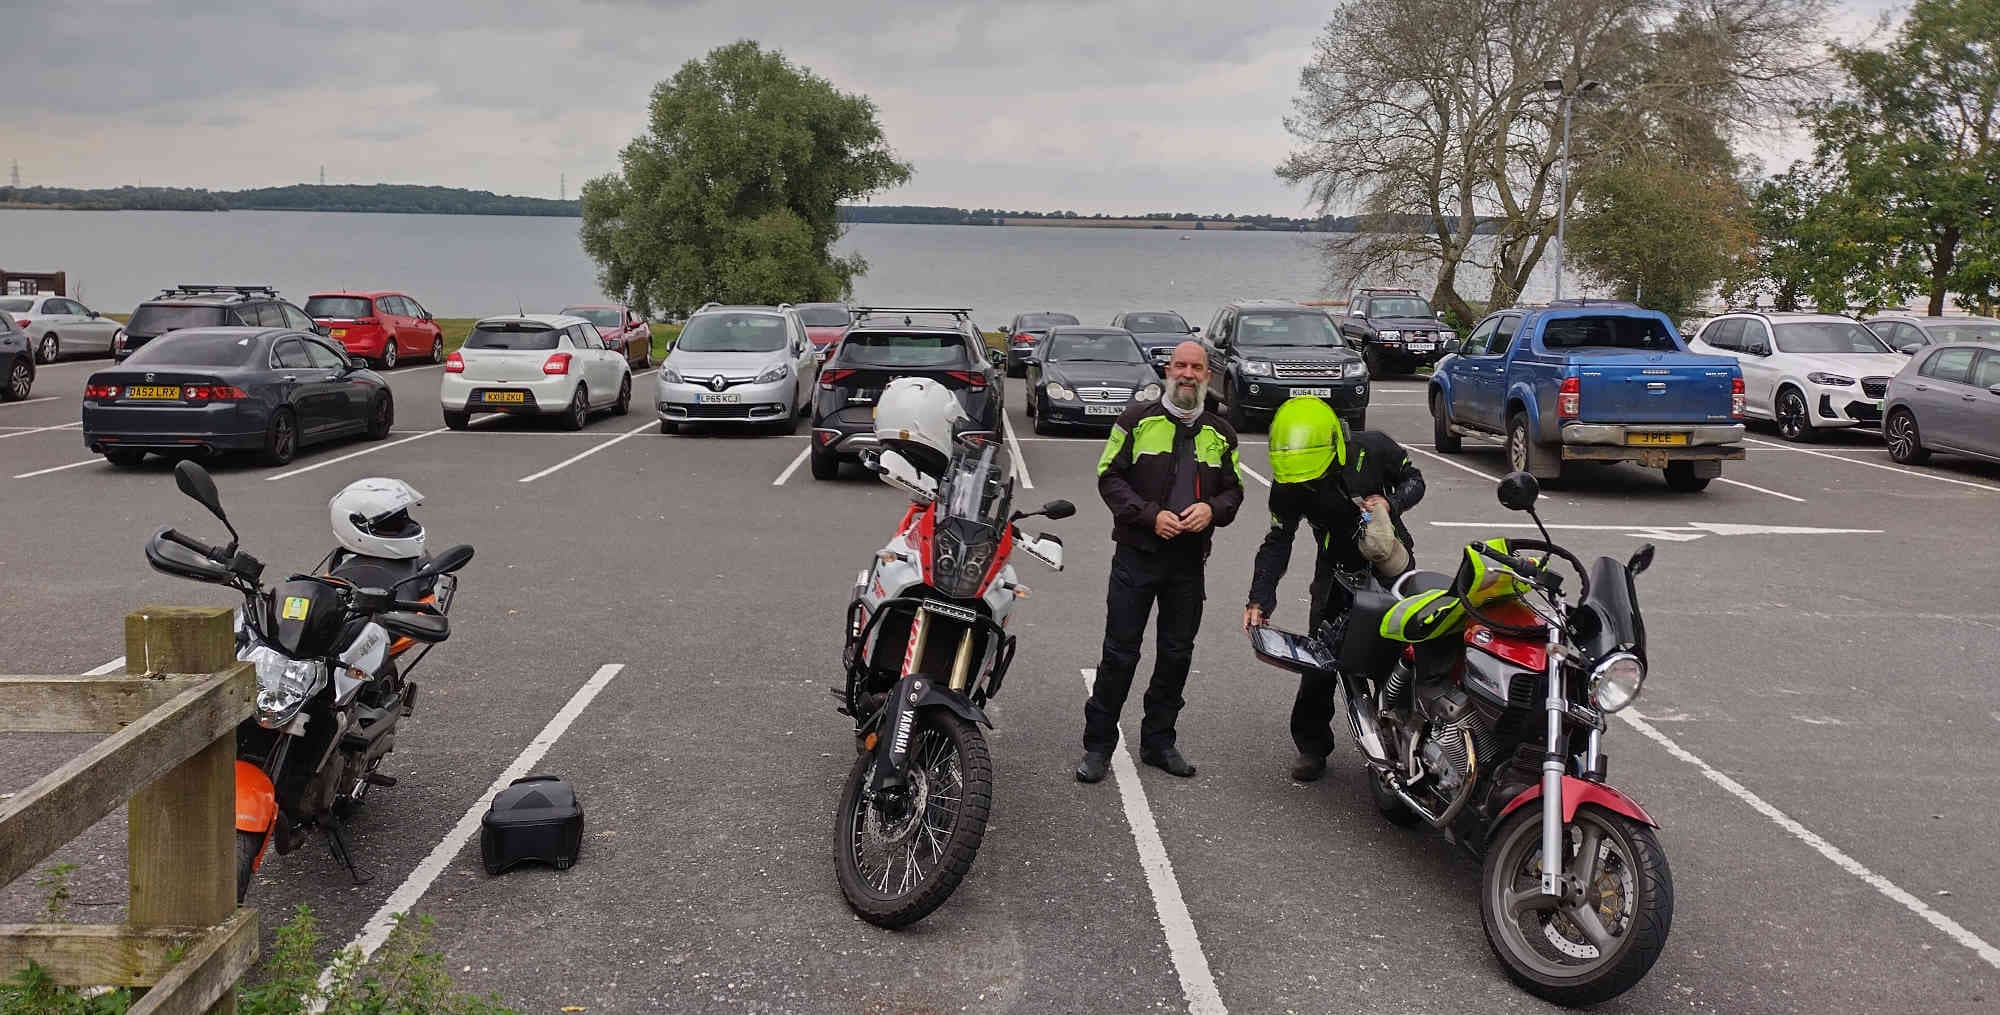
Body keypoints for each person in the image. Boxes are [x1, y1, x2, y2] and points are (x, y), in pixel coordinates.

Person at [1078, 341, 1244, 783]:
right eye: (1181, 366)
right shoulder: (1136, 420)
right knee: (1119, 653)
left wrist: (1213, 509)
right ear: (1168, 370)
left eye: (1197, 368)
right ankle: (1098, 746)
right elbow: (1108, 478)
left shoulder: (1221, 433)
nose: (1188, 374)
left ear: (1209, 376)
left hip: (1188, 563)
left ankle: (1158, 742)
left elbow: (1234, 492)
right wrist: (1150, 516)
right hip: (1137, 557)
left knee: (1175, 655)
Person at [1242, 396, 1425, 783]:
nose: (1306, 484)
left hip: (1391, 561)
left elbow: (1415, 480)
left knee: (1404, 654)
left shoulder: (1373, 449)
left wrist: (1390, 504)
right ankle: (1312, 746)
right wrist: (1260, 598)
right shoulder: (1289, 483)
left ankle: (1409, 740)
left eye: (1313, 476)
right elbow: (1278, 542)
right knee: (1321, 657)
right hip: (1336, 568)